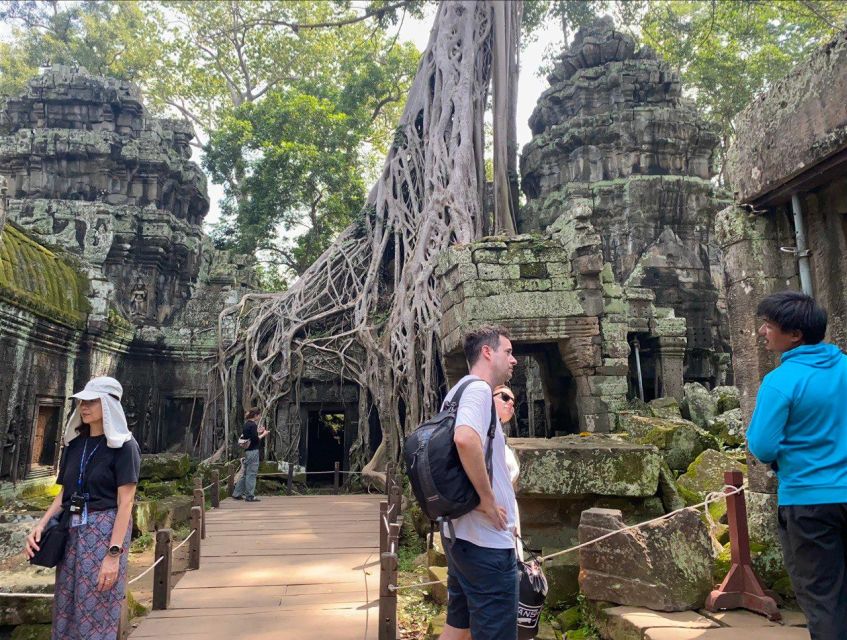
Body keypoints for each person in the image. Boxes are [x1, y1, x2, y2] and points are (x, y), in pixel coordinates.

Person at [746, 291, 847, 640]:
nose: (762, 331)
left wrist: (781, 459)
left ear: (795, 336)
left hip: (808, 500)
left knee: (823, 598)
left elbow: (761, 444)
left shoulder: (781, 381)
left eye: (769, 326)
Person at [24, 376, 141, 640]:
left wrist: (114, 555)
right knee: (65, 607)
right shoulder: (75, 444)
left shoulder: (125, 447)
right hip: (71, 530)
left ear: (109, 406)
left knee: (96, 607)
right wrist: (40, 526)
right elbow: (64, 494)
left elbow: (126, 504)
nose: (83, 407)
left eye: (91, 402)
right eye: (81, 402)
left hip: (104, 531)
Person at [440, 325, 518, 640]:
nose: (514, 361)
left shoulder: (455, 393)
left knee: (457, 631)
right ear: (488, 352)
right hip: (485, 545)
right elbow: (464, 440)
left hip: (459, 537)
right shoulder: (478, 390)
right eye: (508, 352)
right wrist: (487, 500)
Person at [232, 408, 269, 502]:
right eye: (259, 415)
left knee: (245, 474)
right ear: (255, 415)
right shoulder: (252, 425)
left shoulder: (246, 424)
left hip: (248, 451)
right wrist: (264, 434)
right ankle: (250, 496)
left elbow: (250, 437)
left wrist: (259, 432)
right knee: (251, 474)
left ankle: (237, 493)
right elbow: (255, 440)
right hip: (253, 451)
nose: (260, 416)